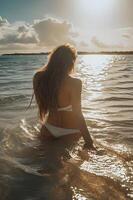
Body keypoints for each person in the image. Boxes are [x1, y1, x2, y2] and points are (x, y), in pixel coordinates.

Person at [33, 44, 95, 150]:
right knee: (70, 163)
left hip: (49, 129)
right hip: (71, 130)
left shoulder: (38, 77)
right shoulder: (75, 83)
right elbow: (78, 114)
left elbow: (42, 104)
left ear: (53, 59)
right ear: (71, 62)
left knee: (44, 162)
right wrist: (89, 141)